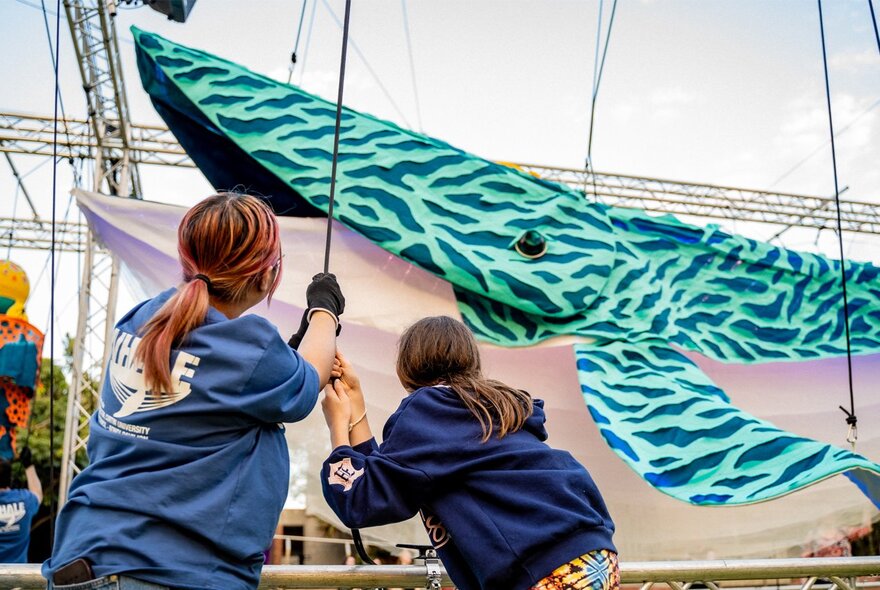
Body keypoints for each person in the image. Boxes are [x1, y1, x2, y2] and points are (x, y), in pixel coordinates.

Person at [43, 192, 344, 590]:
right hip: (170, 571)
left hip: (84, 556)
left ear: (187, 261)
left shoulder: (140, 320)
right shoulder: (247, 343)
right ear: (266, 274)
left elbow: (207, 393)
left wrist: (281, 357)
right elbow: (309, 382)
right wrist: (325, 309)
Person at [321, 316, 618, 590]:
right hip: (593, 553)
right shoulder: (492, 408)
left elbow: (361, 500)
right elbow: (387, 479)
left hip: (543, 567)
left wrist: (337, 426)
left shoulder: (428, 411)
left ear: (407, 367)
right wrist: (357, 409)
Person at [0, 447, 42, 563]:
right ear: (10, 478)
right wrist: (28, 465)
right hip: (18, 576)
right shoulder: (25, 499)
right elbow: (37, 493)